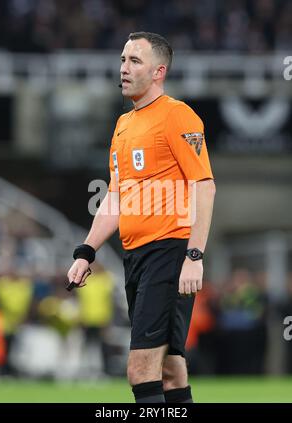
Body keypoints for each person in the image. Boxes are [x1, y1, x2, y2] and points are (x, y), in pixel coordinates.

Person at [67, 31, 216, 403]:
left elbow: (205, 185)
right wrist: (87, 250)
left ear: (158, 72)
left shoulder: (177, 115)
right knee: (170, 367)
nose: (124, 69)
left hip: (169, 252)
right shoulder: (123, 126)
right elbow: (115, 197)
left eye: (135, 61)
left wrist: (194, 257)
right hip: (136, 256)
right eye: (122, 60)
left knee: (140, 368)